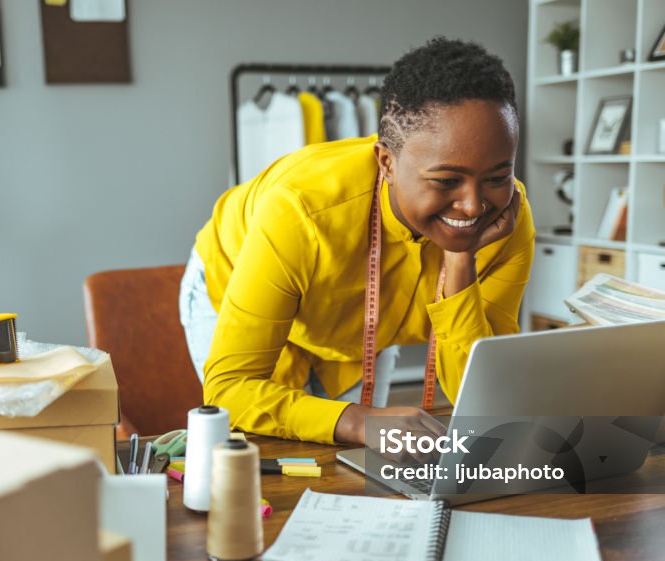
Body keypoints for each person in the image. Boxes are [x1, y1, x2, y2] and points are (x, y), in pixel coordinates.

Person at [180, 37, 534, 445]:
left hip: (359, 328)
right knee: (266, 454)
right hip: (233, 283)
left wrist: (460, 260)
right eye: (446, 181)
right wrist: (358, 421)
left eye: (496, 176)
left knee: (358, 467)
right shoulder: (301, 207)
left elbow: (479, 396)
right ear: (386, 162)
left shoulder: (507, 220)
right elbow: (229, 392)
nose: (473, 205)